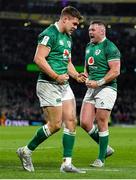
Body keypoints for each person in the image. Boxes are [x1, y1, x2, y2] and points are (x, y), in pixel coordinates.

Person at [17, 6, 87, 173]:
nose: (76, 27)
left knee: (71, 121)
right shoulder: (50, 34)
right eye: (75, 23)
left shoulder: (67, 37)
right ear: (65, 19)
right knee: (55, 125)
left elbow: (67, 62)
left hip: (63, 85)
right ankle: (26, 151)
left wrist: (76, 75)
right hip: (48, 84)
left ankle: (66, 164)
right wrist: (56, 76)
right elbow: (38, 59)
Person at [80, 20, 121, 167]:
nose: (90, 32)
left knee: (101, 121)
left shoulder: (110, 47)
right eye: (89, 30)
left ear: (102, 32)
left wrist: (99, 82)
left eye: (93, 30)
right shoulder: (89, 46)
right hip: (92, 87)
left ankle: (101, 159)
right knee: (84, 123)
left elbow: (115, 71)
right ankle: (106, 148)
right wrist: (84, 75)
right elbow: (87, 66)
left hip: (107, 87)